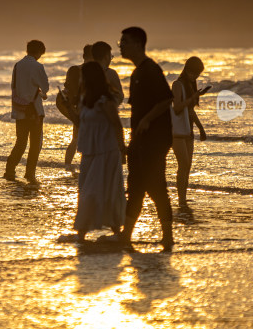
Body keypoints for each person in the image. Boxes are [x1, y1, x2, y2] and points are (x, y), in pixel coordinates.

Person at [118, 27, 174, 252]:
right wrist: (132, 140)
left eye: (124, 42)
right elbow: (136, 112)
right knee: (136, 185)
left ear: (138, 44)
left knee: (156, 185)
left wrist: (147, 120)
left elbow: (166, 100)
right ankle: (126, 235)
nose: (120, 45)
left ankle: (168, 236)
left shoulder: (151, 69)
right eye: (120, 41)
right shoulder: (137, 73)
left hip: (156, 139)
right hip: (141, 140)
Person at [74, 62, 127, 242]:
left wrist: (122, 150)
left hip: (107, 151)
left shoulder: (105, 100)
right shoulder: (84, 99)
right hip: (89, 151)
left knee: (104, 190)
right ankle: (83, 232)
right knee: (86, 190)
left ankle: (114, 230)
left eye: (83, 76)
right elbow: (81, 123)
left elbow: (117, 125)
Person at [4, 40, 49, 184]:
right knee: (35, 144)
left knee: (20, 142)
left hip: (20, 109)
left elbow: (14, 86)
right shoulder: (38, 66)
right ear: (39, 52)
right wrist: (41, 92)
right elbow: (45, 87)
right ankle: (30, 173)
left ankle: (10, 170)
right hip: (34, 111)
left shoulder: (17, 65)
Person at [170, 57, 207, 210]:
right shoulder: (177, 85)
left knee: (188, 167)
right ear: (187, 70)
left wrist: (201, 127)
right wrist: (193, 97)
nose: (195, 77)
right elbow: (177, 108)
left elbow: (190, 111)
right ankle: (181, 200)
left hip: (188, 130)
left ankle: (183, 198)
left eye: (197, 74)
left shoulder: (190, 86)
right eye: (193, 73)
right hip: (177, 132)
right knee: (183, 164)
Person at [63, 45, 93, 173]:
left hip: (77, 109)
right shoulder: (93, 71)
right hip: (90, 109)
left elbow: (66, 89)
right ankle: (83, 165)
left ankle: (67, 165)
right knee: (87, 140)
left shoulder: (75, 70)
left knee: (76, 138)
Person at [92, 41, 124, 105]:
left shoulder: (86, 72)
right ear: (106, 57)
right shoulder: (111, 73)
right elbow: (120, 96)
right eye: (111, 56)